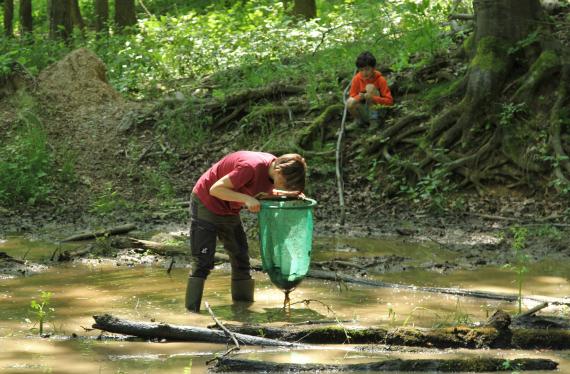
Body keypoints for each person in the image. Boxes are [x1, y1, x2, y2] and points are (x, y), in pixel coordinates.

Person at [185, 151, 307, 312]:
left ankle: (243, 310)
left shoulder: (273, 170)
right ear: (278, 171)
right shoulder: (250, 167)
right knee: (202, 261)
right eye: (286, 184)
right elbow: (216, 189)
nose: (286, 187)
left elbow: (266, 191)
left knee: (241, 258)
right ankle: (192, 314)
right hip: (206, 203)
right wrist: (247, 199)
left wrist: (291, 194)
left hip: (229, 209)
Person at [346, 51, 393, 131]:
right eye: (361, 70)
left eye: (367, 69)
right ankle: (358, 121)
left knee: (370, 88)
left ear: (373, 68)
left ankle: (374, 121)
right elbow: (352, 96)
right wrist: (359, 97)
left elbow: (389, 101)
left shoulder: (380, 80)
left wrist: (373, 98)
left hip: (379, 111)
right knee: (350, 101)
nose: (364, 73)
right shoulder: (356, 79)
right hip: (364, 110)